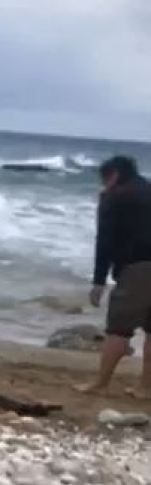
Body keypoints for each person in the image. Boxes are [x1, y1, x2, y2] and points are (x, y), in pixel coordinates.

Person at [75, 156, 151, 397]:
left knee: (118, 329)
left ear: (114, 175)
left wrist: (99, 281)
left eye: (104, 179)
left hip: (137, 268)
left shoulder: (115, 197)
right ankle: (146, 387)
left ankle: (100, 383)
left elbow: (104, 241)